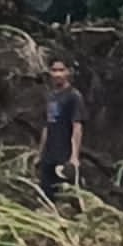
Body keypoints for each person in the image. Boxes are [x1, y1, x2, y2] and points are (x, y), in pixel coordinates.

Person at [38, 55, 86, 201]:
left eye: (61, 70)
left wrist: (74, 156)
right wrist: (40, 153)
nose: (57, 74)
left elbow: (77, 126)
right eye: (54, 70)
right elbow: (47, 125)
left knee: (65, 195)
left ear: (68, 72)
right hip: (49, 155)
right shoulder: (51, 96)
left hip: (64, 155)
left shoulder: (74, 96)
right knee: (47, 194)